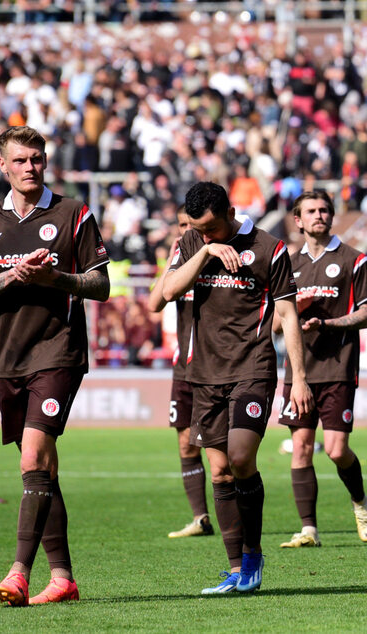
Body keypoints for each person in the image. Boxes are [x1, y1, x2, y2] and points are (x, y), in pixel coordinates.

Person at [0, 126, 110, 606]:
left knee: (32, 459)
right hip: (11, 358)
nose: (31, 167)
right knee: (42, 470)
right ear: (3, 165)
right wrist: (13, 274)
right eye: (21, 160)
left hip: (59, 351)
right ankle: (63, 577)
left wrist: (55, 278)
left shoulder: (72, 213)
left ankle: (19, 573)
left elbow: (100, 284)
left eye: (38, 158)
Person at [162, 181, 313, 595]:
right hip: (204, 375)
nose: (204, 235)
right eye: (199, 229)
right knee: (220, 470)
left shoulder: (269, 248)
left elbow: (288, 313)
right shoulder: (193, 241)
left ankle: (253, 554)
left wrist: (298, 378)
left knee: (241, 456)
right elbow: (168, 291)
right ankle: (236, 570)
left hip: (253, 367)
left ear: (230, 211)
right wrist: (206, 250)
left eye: (211, 229)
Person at [274, 191, 367, 548]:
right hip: (298, 373)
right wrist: (293, 310)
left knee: (335, 450)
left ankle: (360, 501)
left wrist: (327, 324)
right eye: (311, 211)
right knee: (301, 446)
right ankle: (308, 530)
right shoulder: (286, 263)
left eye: (324, 210)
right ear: (298, 220)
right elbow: (273, 324)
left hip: (337, 368)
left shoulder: (354, 260)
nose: (319, 215)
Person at [145, 207, 215, 539]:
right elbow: (154, 303)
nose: (186, 232)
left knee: (221, 452)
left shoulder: (217, 258)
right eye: (182, 226)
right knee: (186, 445)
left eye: (192, 226)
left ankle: (236, 516)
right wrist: (174, 261)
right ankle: (200, 517)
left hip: (216, 367)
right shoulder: (179, 256)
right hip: (183, 366)